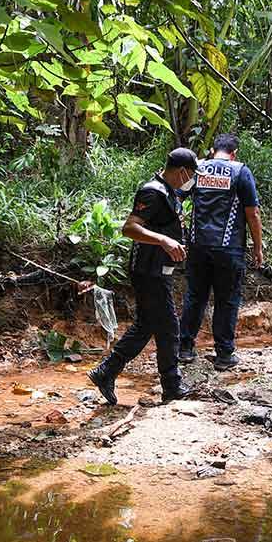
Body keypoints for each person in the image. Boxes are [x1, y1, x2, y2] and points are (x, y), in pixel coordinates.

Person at [87, 148, 198, 405]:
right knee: (169, 328)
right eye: (191, 174)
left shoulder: (170, 191)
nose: (191, 180)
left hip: (158, 270)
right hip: (148, 271)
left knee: (146, 326)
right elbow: (130, 228)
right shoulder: (152, 192)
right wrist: (164, 241)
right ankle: (172, 387)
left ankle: (106, 372)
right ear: (182, 172)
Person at [178, 133, 263, 370]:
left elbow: (176, 197)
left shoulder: (198, 169)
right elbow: (253, 214)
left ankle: (185, 349)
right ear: (234, 153)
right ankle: (224, 354)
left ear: (212, 151)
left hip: (198, 245)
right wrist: (257, 247)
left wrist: (179, 230)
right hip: (229, 249)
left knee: (195, 296)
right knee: (227, 299)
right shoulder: (240, 171)